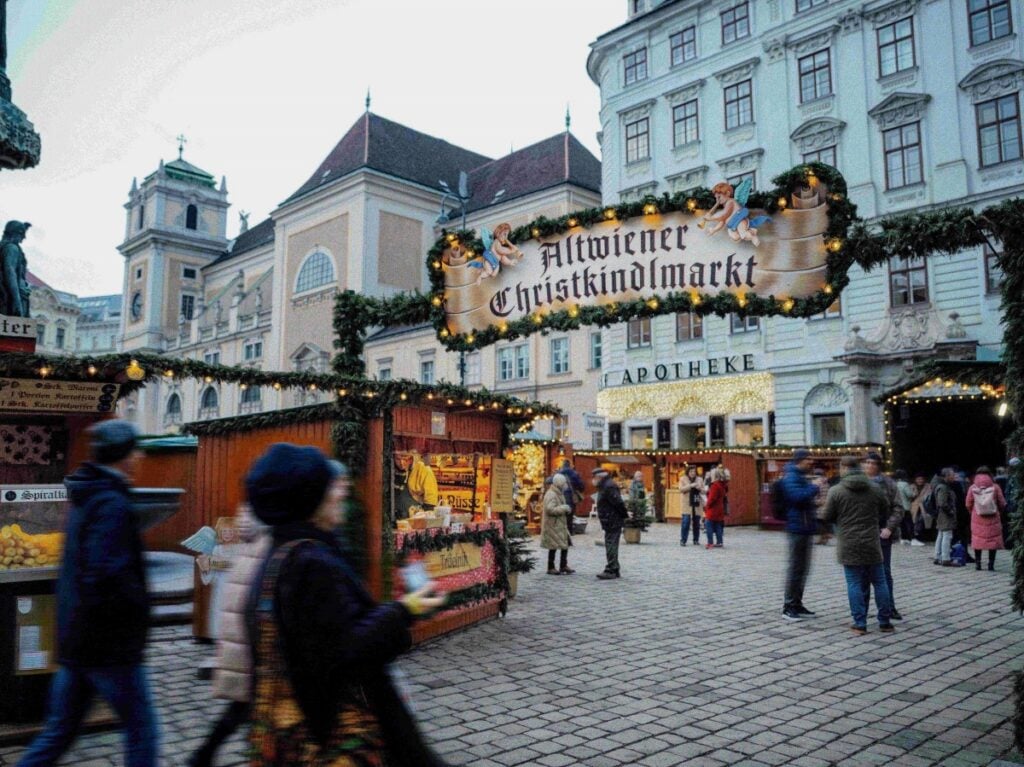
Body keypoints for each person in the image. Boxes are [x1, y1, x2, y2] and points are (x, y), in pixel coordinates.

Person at [244, 443, 447, 766]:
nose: (340, 493)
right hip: (337, 732)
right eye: (330, 487)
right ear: (310, 499)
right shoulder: (311, 562)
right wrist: (405, 609)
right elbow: (347, 648)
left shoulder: (280, 553)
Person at [18, 421, 158, 767]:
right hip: (108, 647)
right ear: (124, 457)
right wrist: (132, 621)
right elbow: (106, 575)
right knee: (142, 730)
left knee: (59, 733)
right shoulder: (112, 503)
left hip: (77, 640)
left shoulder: (86, 494)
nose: (139, 457)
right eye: (134, 450)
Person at [188, 506, 270, 767]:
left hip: (244, 635)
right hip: (255, 637)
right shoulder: (271, 534)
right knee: (249, 705)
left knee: (244, 706)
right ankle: (206, 754)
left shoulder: (256, 528)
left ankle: (205, 754)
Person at [823, 456, 894, 635]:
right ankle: (885, 622)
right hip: (871, 540)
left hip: (848, 541)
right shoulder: (875, 488)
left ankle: (859, 623)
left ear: (844, 468)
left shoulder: (836, 490)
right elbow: (885, 510)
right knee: (879, 581)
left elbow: (827, 515)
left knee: (854, 582)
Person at [863, 452, 904, 620]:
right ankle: (861, 611)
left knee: (884, 573)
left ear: (879, 466)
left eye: (873, 463)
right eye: (867, 462)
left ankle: (889, 607)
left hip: (882, 533)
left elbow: (898, 508)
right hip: (863, 533)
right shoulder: (859, 482)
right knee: (863, 574)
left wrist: (889, 527)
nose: (870, 466)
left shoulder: (888, 484)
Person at [781, 449, 820, 621]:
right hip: (797, 528)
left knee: (803, 568)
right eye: (808, 459)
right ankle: (789, 606)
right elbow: (796, 497)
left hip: (805, 527)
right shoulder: (791, 476)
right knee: (796, 568)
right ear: (800, 460)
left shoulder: (800, 476)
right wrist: (814, 487)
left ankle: (797, 603)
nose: (811, 462)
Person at [967, 466, 1007, 572]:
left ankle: (978, 564)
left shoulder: (972, 487)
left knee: (977, 541)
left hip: (977, 517)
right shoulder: (996, 487)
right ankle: (990, 565)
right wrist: (999, 511)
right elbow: (1002, 503)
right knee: (992, 542)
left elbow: (968, 503)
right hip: (993, 517)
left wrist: (973, 511)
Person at [593, 468, 627, 580]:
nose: (593, 480)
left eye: (594, 477)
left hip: (612, 519)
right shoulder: (605, 485)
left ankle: (611, 569)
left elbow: (618, 502)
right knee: (610, 543)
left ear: (599, 477)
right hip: (609, 519)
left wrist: (624, 515)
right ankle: (614, 568)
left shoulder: (608, 486)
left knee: (611, 544)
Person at [542, 475, 574, 575]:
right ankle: (551, 567)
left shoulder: (558, 493)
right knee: (553, 546)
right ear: (559, 483)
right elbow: (550, 509)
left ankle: (563, 565)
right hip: (553, 524)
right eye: (564, 483)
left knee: (565, 544)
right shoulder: (551, 494)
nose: (565, 485)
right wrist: (564, 508)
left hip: (559, 523)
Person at [933, 468, 959, 566]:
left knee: (941, 534)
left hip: (942, 514)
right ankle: (945, 558)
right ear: (947, 476)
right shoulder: (943, 487)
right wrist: (950, 511)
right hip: (945, 515)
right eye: (952, 475)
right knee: (947, 535)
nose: (954, 477)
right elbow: (942, 503)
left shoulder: (941, 486)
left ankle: (938, 556)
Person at [678, 466, 705, 546]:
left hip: (696, 503)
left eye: (694, 471)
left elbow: (704, 491)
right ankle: (683, 540)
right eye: (691, 471)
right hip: (687, 504)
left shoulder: (700, 479)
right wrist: (690, 486)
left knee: (696, 523)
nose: (693, 473)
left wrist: (699, 488)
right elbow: (681, 489)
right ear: (688, 472)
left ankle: (696, 540)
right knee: (686, 522)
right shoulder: (683, 479)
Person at [559, 458, 585, 537]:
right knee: (570, 514)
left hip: (560, 496)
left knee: (561, 514)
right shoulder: (574, 473)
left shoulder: (559, 473)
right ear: (570, 465)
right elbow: (581, 485)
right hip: (570, 495)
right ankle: (569, 531)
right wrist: (579, 489)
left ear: (562, 465)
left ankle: (561, 531)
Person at [704, 469, 727, 549]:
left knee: (708, 525)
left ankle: (710, 543)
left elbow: (712, 498)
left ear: (715, 476)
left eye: (712, 474)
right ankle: (719, 542)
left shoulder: (715, 486)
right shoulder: (722, 485)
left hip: (713, 509)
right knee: (718, 526)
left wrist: (707, 506)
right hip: (719, 508)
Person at [894, 470, 917, 544]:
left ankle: (903, 539)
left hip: (898, 506)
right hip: (905, 507)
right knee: (910, 523)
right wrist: (914, 492)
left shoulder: (894, 484)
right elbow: (910, 495)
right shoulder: (905, 484)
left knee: (902, 524)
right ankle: (912, 539)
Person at [909, 473, 931, 544]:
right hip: (914, 507)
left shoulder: (928, 486)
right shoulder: (912, 486)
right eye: (918, 479)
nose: (920, 481)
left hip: (924, 507)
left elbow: (929, 495)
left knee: (923, 521)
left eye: (921, 479)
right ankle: (915, 536)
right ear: (915, 480)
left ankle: (921, 536)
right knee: (914, 521)